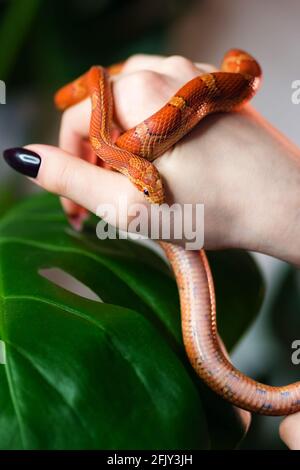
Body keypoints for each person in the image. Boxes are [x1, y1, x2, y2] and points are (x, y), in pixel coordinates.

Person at [3, 54, 300, 448]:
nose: (155, 194)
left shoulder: (119, 152)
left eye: (150, 187)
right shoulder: (115, 150)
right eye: (148, 190)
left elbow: (111, 147)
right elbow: (107, 143)